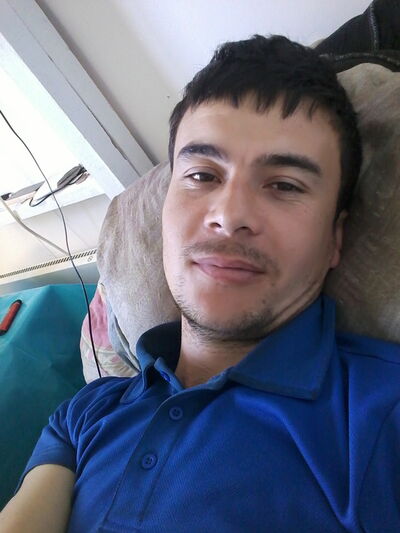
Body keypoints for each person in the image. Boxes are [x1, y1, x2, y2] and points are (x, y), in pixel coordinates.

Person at [1, 34, 400, 533]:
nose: (229, 217)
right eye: (202, 175)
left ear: (334, 239)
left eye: (284, 185)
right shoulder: (86, 411)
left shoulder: (382, 414)